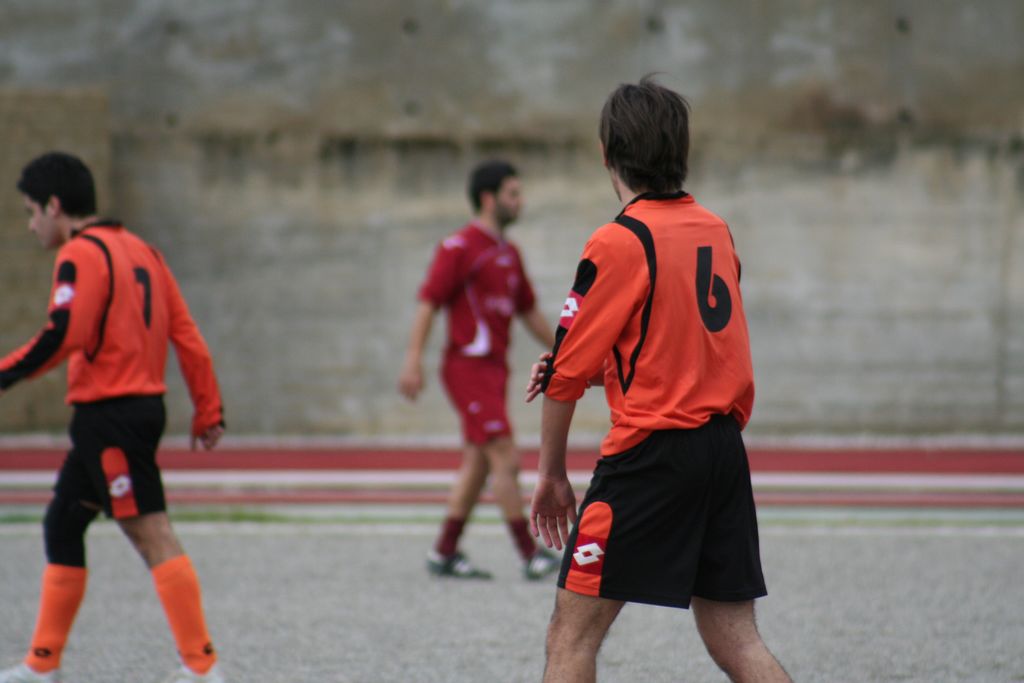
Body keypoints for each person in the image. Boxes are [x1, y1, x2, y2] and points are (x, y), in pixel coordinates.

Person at [526, 77, 791, 682]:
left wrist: (550, 474)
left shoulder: (619, 240)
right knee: (737, 639)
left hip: (651, 454)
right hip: (722, 450)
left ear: (606, 152)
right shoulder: (715, 229)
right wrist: (607, 374)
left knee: (571, 636)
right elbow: (687, 347)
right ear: (681, 150)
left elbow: (564, 374)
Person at [0, 152, 226, 683]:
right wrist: (207, 406)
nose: (31, 225)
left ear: (55, 206)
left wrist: (4, 373)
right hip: (131, 411)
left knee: (149, 530)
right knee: (63, 521)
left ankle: (201, 666)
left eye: (31, 212)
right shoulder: (144, 251)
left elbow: (65, 333)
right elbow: (187, 335)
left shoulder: (80, 254)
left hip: (111, 414)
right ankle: (43, 663)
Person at [398, 159, 561, 581]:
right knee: (505, 455)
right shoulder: (459, 248)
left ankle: (444, 551)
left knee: (479, 461)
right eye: (513, 194)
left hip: (494, 371)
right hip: (466, 368)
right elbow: (429, 302)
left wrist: (567, 349)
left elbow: (528, 311)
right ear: (489, 199)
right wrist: (413, 359)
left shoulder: (510, 253)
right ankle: (529, 554)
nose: (520, 201)